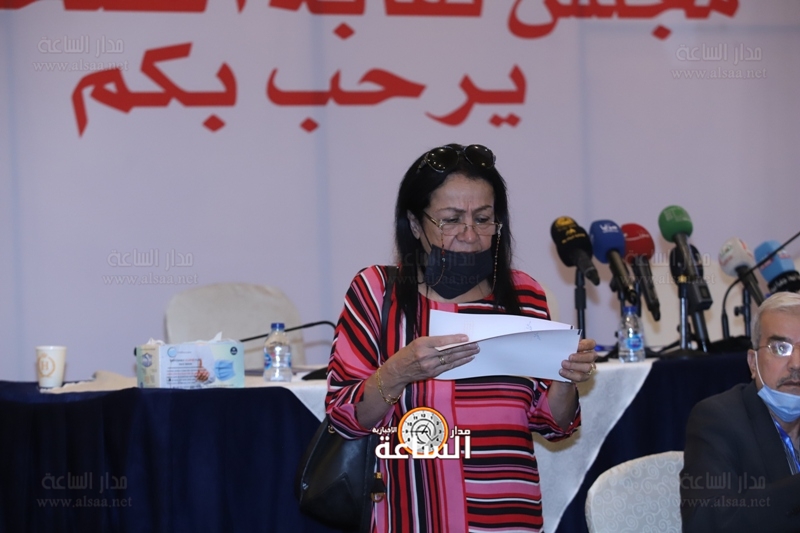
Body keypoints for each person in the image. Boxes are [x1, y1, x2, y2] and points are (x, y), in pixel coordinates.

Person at [325, 143, 597, 532]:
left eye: (483, 219)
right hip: (412, 514)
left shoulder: (525, 294)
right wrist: (399, 371)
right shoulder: (377, 291)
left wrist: (565, 378)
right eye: (451, 220)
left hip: (508, 515)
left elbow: (553, 424)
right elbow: (343, 417)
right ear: (415, 224)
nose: (470, 235)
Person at [680, 292, 800, 533]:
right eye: (780, 348)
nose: (796, 363)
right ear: (753, 363)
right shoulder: (717, 419)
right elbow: (707, 523)